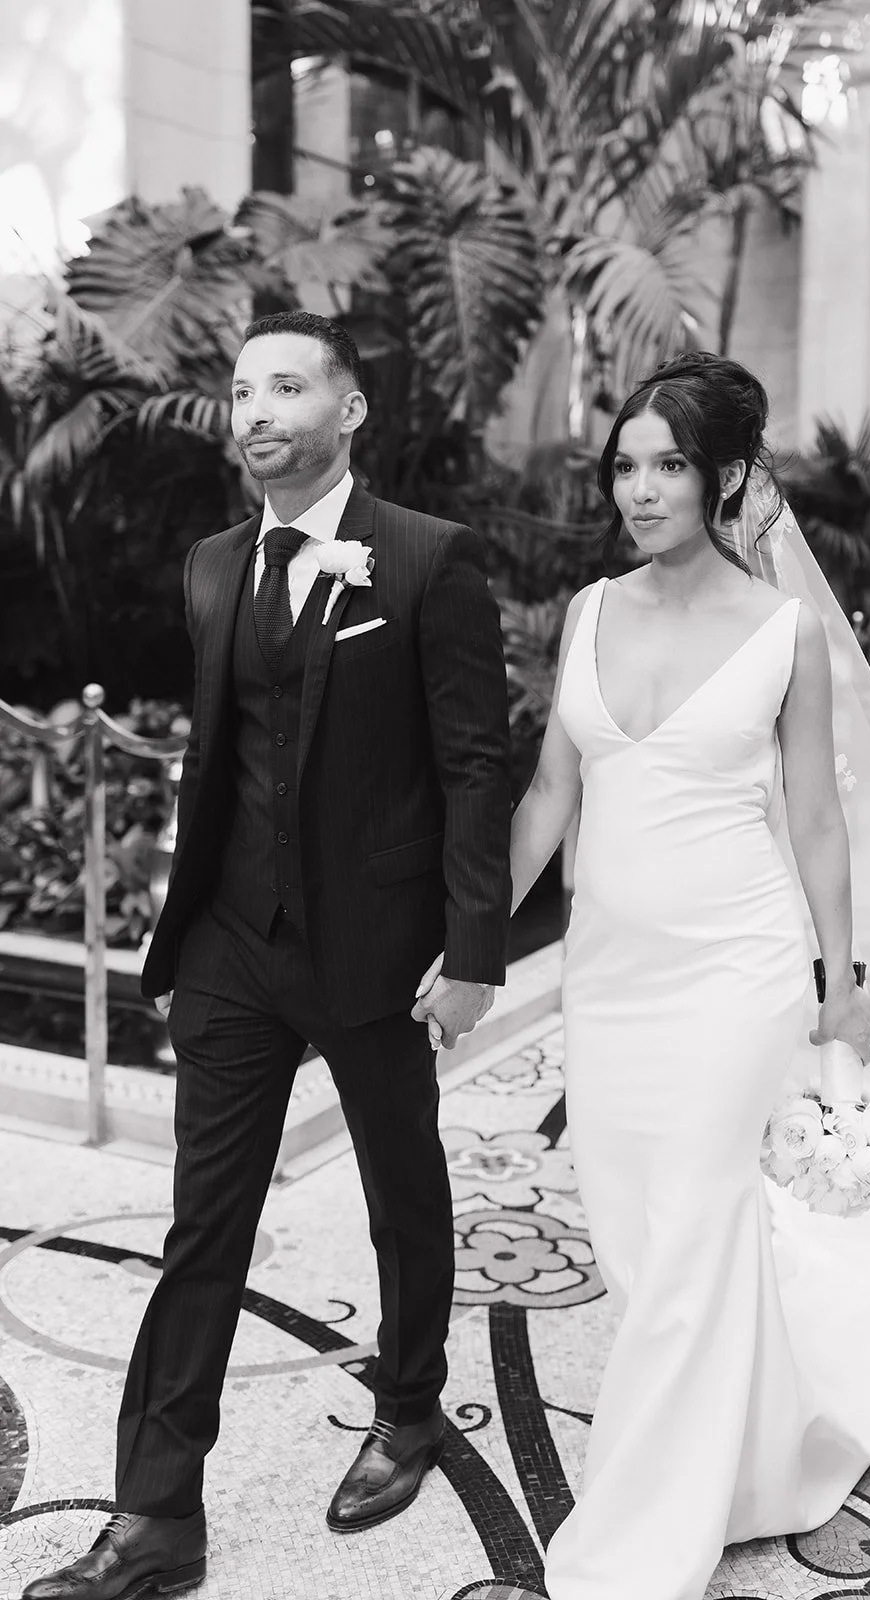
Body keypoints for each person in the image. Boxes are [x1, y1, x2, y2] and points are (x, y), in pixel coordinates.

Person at [423, 352, 870, 1600]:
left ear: (726, 479)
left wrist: (837, 984)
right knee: (644, 1240)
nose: (640, 490)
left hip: (733, 977)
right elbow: (550, 792)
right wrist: (471, 937)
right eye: (627, 465)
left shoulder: (786, 631)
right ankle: (755, 1455)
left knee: (698, 1234)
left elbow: (817, 820)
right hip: (611, 975)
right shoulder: (593, 611)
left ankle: (642, 1540)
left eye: (670, 466)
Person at [23, 311, 513, 1600]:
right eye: (240, 390)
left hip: (381, 947)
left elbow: (474, 766)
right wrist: (181, 933)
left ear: (350, 410)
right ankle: (155, 1516)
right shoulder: (207, 565)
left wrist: (474, 948)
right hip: (238, 944)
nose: (253, 411)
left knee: (401, 1191)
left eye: (286, 387)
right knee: (203, 1226)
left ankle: (410, 1405)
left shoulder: (427, 560)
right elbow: (231, 762)